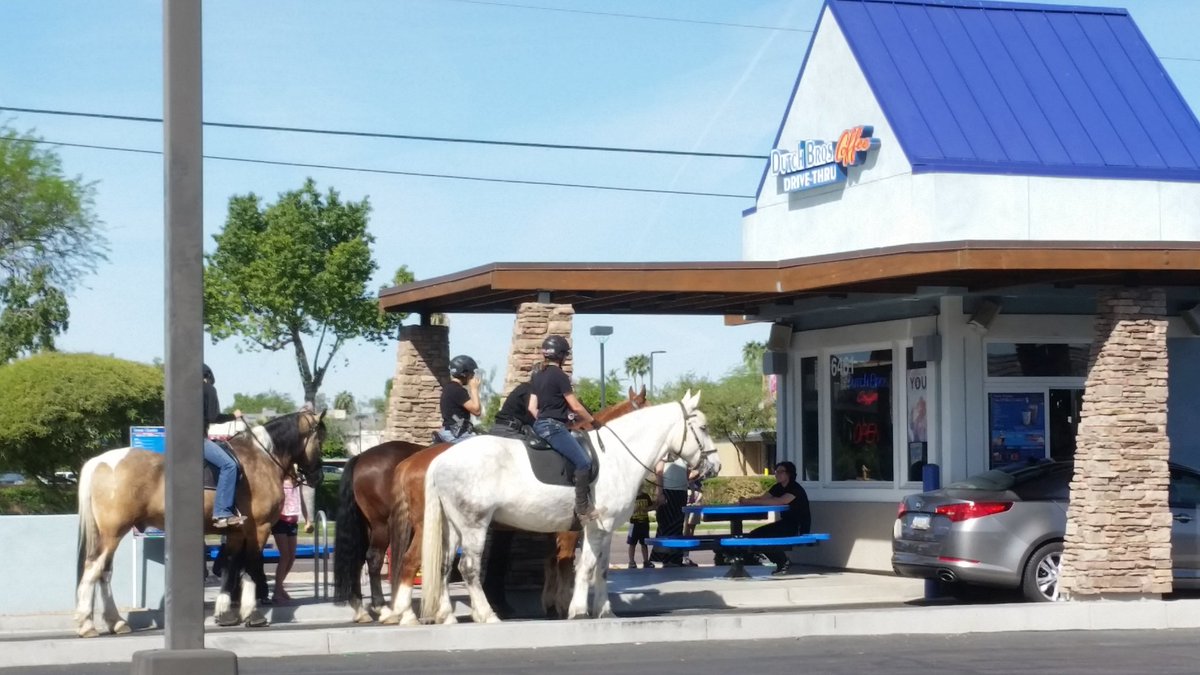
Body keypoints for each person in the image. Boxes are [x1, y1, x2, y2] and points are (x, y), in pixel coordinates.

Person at [527, 335, 601, 524]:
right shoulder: (559, 376)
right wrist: (592, 420)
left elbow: (531, 407)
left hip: (540, 425)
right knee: (584, 462)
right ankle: (582, 508)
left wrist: (543, 420)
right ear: (562, 355)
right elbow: (575, 406)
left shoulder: (538, 375)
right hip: (553, 427)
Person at [739, 460, 811, 576]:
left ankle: (783, 562)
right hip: (785, 523)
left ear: (789, 474)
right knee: (755, 534)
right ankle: (782, 562)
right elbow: (763, 498)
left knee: (765, 536)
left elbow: (780, 501)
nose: (777, 474)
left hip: (797, 526)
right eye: (776, 471)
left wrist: (749, 501)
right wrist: (748, 500)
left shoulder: (795, 488)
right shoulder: (778, 487)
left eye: (780, 472)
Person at [203, 363, 244, 528]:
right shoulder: (208, 389)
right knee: (229, 465)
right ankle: (222, 512)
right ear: (208, 376)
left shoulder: (183, 390)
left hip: (175, 441)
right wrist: (233, 416)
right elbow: (213, 417)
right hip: (196, 441)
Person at [651, 457, 698, 566]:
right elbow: (659, 472)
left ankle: (676, 558)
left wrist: (696, 475)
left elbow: (687, 476)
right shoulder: (665, 454)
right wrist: (659, 492)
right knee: (666, 524)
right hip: (668, 491)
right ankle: (664, 558)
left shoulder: (684, 457)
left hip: (681, 492)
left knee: (678, 524)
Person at [271, 475, 307, 603]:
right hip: (280, 520)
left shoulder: (297, 481)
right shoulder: (279, 479)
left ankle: (279, 587)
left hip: (293, 520)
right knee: (285, 556)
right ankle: (277, 590)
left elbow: (301, 500)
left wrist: (307, 519)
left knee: (292, 557)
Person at [436, 354, 482, 444]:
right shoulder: (457, 390)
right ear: (465, 373)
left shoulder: (449, 388)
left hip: (449, 431)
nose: (473, 376)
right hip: (456, 434)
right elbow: (477, 411)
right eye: (471, 373)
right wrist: (474, 389)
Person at [627, 490, 653, 569]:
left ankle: (646, 561)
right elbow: (627, 511)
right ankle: (631, 561)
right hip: (634, 523)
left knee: (644, 543)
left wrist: (647, 509)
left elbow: (651, 506)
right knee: (632, 543)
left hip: (644, 523)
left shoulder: (645, 496)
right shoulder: (631, 497)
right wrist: (635, 509)